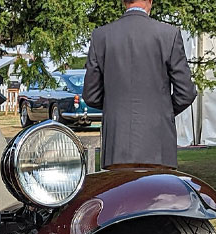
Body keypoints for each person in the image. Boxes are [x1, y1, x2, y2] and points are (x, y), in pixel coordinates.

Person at [83, 0, 197, 169]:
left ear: (123, 2)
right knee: (159, 195)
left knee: (120, 194)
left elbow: (91, 95)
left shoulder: (101, 36)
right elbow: (186, 92)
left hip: (116, 145)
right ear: (150, 2)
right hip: (158, 144)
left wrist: (114, 106)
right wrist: (161, 111)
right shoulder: (168, 34)